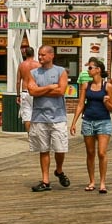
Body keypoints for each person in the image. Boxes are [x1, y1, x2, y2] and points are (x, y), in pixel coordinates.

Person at [26, 45, 69, 192]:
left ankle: (59, 169)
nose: (40, 57)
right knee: (43, 149)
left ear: (51, 55)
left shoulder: (61, 71)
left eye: (43, 55)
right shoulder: (33, 72)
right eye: (39, 54)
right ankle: (45, 180)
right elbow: (31, 90)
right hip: (39, 116)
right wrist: (50, 87)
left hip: (58, 116)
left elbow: (61, 91)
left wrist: (41, 91)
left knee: (60, 148)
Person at [69, 57, 112, 193]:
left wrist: (107, 102)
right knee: (90, 153)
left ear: (98, 70)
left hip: (103, 121)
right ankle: (92, 181)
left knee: (101, 152)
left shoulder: (108, 86)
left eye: (90, 68)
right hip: (88, 120)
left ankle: (102, 183)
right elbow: (81, 104)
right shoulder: (85, 85)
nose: (88, 70)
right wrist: (73, 122)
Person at [16, 46, 39, 132]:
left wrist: (18, 95)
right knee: (37, 114)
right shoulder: (38, 65)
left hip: (25, 92)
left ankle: (30, 136)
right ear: (34, 54)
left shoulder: (21, 65)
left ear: (25, 54)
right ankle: (36, 134)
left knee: (27, 116)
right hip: (35, 91)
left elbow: (18, 81)